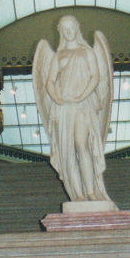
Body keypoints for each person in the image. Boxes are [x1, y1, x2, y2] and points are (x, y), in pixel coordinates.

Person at [33, 15, 115, 205]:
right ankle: (77, 194)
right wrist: (57, 98)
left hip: (83, 105)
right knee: (67, 150)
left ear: (77, 28)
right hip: (63, 107)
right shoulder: (57, 56)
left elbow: (95, 77)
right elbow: (49, 82)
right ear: (60, 31)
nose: (69, 32)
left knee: (81, 144)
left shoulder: (87, 53)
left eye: (71, 28)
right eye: (65, 29)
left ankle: (91, 191)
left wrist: (82, 95)